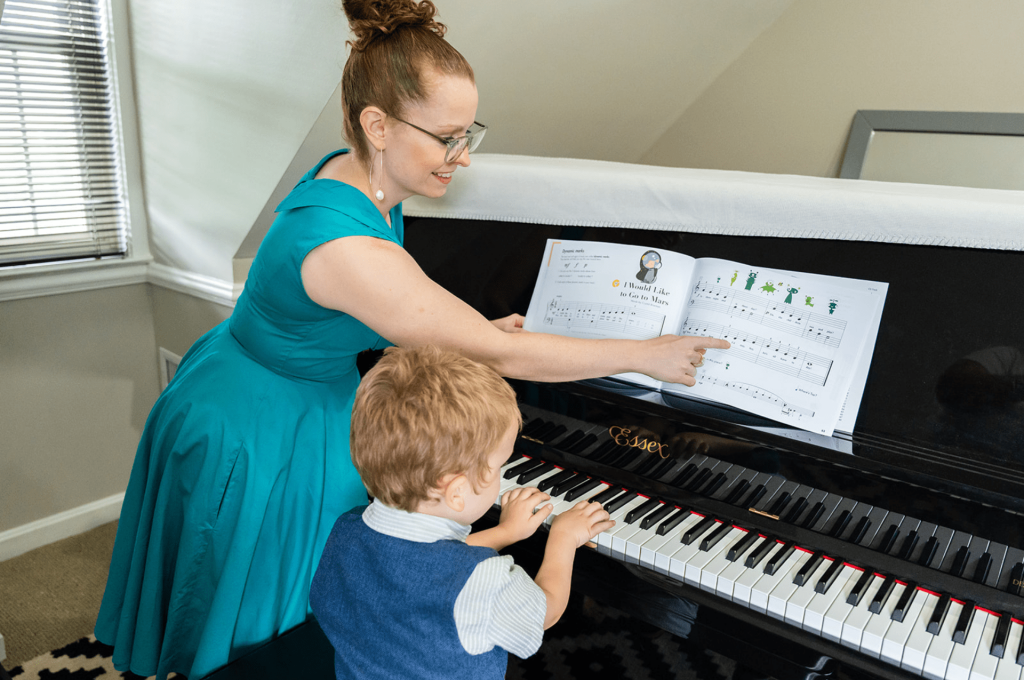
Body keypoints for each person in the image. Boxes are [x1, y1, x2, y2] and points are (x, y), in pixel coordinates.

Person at [94, 1, 729, 678]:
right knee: (258, 594)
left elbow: (377, 310)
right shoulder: (346, 246)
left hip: (270, 375)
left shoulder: (359, 173)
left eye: (469, 133)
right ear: (378, 126)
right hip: (264, 419)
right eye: (448, 137)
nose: (463, 156)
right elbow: (498, 353)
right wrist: (646, 354)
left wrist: (469, 331)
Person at [309, 345, 614, 679]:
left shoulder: (347, 529)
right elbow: (546, 611)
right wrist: (563, 538)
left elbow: (420, 563)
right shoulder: (484, 581)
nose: (501, 474)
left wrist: (505, 533)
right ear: (456, 492)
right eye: (499, 466)